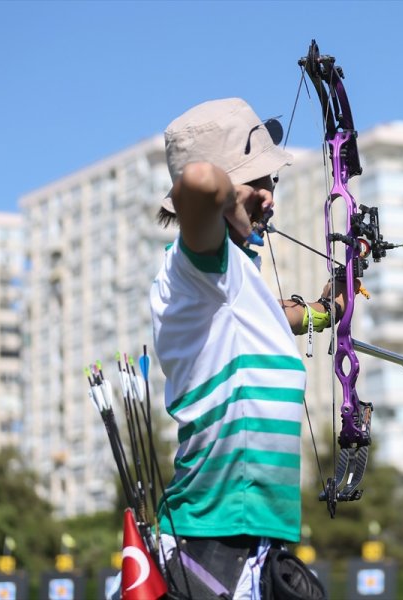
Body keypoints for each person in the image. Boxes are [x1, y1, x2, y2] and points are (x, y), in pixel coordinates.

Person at [149, 98, 340, 600]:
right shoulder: (193, 267)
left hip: (248, 540)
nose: (270, 198)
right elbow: (197, 186)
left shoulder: (230, 279)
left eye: (271, 183)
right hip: (209, 541)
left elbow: (269, 318)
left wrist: (323, 311)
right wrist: (231, 195)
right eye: (259, 183)